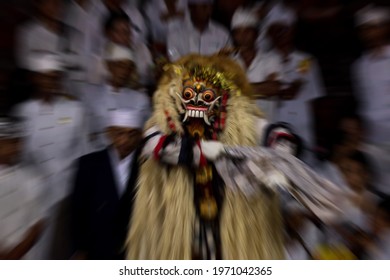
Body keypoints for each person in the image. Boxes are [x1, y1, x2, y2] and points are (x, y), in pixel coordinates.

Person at [125, 54, 349, 260]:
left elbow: (274, 130)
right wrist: (204, 151)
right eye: (189, 94)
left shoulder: (235, 118)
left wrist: (280, 153)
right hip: (181, 214)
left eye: (207, 95)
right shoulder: (165, 119)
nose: (198, 102)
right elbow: (153, 145)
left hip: (228, 214)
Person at [11, 53, 88, 259]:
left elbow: (83, 150)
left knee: (60, 249)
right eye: (45, 77)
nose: (50, 82)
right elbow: (16, 155)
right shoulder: (22, 111)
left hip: (65, 191)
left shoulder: (74, 109)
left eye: (55, 77)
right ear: (35, 78)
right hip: (31, 193)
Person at [71, 109, 144, 260]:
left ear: (139, 136)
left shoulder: (147, 168)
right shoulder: (88, 164)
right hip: (96, 249)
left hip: (134, 251)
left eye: (131, 134)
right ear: (109, 134)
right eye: (119, 133)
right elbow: (78, 210)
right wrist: (79, 249)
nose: (125, 140)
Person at [266, 14, 326, 161]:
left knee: (306, 166)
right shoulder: (264, 60)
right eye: (275, 30)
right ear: (269, 34)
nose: (280, 34)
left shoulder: (305, 60)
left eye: (284, 29)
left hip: (302, 122)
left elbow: (314, 98)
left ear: (292, 31)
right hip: (276, 121)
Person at [80, 44, 151, 152]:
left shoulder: (140, 99)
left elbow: (146, 132)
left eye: (128, 67)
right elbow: (83, 133)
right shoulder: (91, 94)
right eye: (120, 66)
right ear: (109, 66)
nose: (124, 72)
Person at [352, 5, 390, 196]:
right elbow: (363, 101)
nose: (368, 33)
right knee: (381, 189)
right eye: (364, 29)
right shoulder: (359, 66)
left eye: (373, 27)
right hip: (374, 139)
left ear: (385, 27)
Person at [0, 116, 46, 259]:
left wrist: (14, 256)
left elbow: (38, 224)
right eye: (12, 142)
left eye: (19, 141)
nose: (18, 147)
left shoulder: (30, 178)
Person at [229, 8, 282, 122]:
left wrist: (238, 88)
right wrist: (262, 88)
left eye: (247, 31)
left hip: (266, 127)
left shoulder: (271, 59)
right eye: (238, 32)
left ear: (256, 34)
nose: (243, 37)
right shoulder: (229, 63)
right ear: (234, 36)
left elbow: (274, 88)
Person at [167, 0, 231, 62]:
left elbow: (231, 59)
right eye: (204, 6)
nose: (208, 11)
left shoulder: (222, 34)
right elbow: (172, 55)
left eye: (210, 7)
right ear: (191, 7)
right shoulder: (175, 35)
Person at [104, 13, 154, 90]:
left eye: (126, 31)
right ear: (110, 34)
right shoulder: (104, 56)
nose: (124, 36)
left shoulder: (142, 50)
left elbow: (151, 75)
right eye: (118, 31)